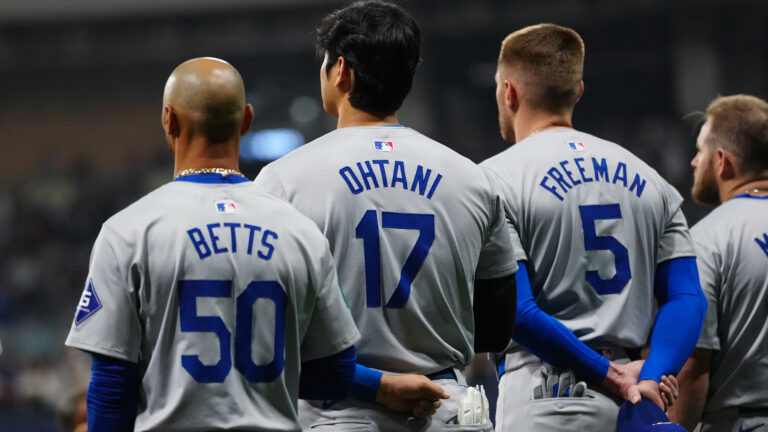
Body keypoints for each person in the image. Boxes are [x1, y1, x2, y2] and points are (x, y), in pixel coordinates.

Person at [253, 1, 522, 430]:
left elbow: (264, 329)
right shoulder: (472, 179)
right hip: (446, 407)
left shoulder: (283, 180)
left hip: (338, 410)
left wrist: (374, 381)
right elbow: (495, 329)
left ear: (340, 70)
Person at [64, 57, 361, 432]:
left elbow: (110, 386)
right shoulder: (302, 232)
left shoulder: (127, 231)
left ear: (169, 120)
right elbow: (336, 374)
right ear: (247, 120)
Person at [480, 23, 707, 431]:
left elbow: (517, 310)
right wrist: (650, 377)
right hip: (633, 397)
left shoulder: (492, 180)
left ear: (508, 92)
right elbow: (687, 297)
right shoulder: (651, 179)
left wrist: (609, 375)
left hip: (544, 391)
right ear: (577, 91)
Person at [667, 95, 768, 432]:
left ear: (723, 162)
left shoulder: (708, 238)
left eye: (701, 152)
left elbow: (694, 369)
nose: (695, 162)